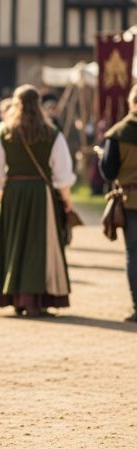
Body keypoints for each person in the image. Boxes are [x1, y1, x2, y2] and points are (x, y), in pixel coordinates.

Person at [0, 84, 76, 317]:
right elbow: (63, 174)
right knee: (39, 245)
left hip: (13, 194)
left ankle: (16, 298)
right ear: (39, 105)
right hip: (41, 195)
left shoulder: (4, 132)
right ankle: (37, 300)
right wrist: (67, 202)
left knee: (14, 243)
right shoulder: (52, 133)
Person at [99, 83, 137, 321]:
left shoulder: (118, 132)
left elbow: (108, 172)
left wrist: (104, 158)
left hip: (131, 200)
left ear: (132, 103)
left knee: (134, 253)